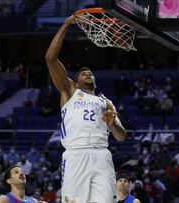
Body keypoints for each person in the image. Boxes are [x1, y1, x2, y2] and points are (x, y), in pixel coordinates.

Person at [45, 15, 127, 203]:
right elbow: (50, 58)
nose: (88, 73)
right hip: (76, 154)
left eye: (90, 72)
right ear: (76, 80)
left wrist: (112, 123)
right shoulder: (69, 91)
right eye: (83, 73)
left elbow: (121, 136)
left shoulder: (106, 102)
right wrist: (66, 24)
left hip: (101, 155)